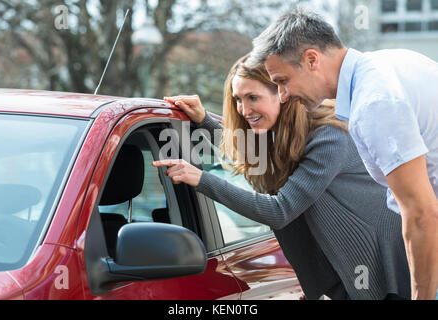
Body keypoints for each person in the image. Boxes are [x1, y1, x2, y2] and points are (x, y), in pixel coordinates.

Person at [153, 55, 411, 300]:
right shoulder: (286, 135)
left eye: (253, 97)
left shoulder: (329, 138)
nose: (243, 109)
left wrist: (201, 179)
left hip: (382, 274)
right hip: (344, 274)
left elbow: (280, 210)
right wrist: (204, 120)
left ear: (283, 94)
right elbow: (251, 154)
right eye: (238, 100)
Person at [247, 9, 438, 300]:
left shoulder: (373, 102)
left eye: (283, 80)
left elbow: (422, 214)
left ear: (312, 59)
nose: (282, 95)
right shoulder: (387, 63)